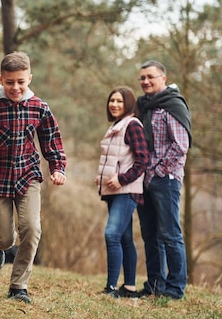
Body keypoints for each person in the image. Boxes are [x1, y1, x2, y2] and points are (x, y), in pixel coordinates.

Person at [0, 51, 67, 304]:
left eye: (21, 81)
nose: (16, 87)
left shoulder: (39, 107)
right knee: (7, 237)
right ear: (1, 79)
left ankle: (18, 286)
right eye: (10, 82)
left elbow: (51, 141)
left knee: (31, 228)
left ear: (29, 77)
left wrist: (58, 168)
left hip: (27, 176)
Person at [135, 60, 191, 300]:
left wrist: (156, 171)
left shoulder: (172, 105)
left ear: (163, 78)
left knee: (170, 234)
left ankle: (175, 289)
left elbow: (180, 147)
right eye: (142, 78)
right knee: (150, 235)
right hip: (144, 180)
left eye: (151, 77)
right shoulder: (145, 106)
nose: (146, 81)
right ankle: (156, 284)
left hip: (165, 179)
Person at [95, 87, 148, 298]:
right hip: (114, 191)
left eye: (119, 101)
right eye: (112, 100)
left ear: (128, 104)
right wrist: (103, 178)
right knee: (125, 238)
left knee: (112, 234)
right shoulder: (117, 126)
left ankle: (110, 288)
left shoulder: (133, 125)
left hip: (127, 191)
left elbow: (143, 159)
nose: (114, 104)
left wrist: (122, 178)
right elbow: (116, 160)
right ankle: (130, 287)